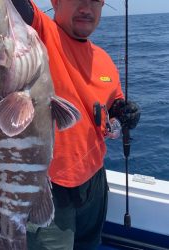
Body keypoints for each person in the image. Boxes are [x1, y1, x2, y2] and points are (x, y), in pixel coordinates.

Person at [10, 0, 141, 250]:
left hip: (94, 180)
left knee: (89, 245)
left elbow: (112, 104)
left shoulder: (103, 58)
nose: (86, 8)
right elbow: (16, 7)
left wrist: (123, 113)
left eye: (95, 2)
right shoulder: (40, 32)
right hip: (48, 183)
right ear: (55, 3)